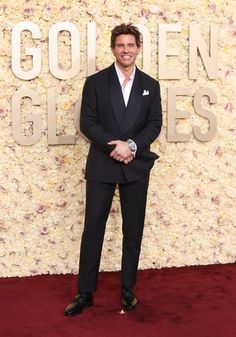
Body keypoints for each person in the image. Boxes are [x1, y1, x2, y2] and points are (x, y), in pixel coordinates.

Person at [65, 23, 162, 316]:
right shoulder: (95, 82)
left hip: (135, 165)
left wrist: (131, 146)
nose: (126, 50)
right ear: (113, 49)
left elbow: (154, 124)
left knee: (132, 232)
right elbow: (88, 122)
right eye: (120, 45)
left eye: (131, 45)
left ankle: (128, 289)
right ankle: (85, 292)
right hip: (102, 165)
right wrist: (114, 148)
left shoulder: (150, 85)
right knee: (93, 229)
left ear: (138, 48)